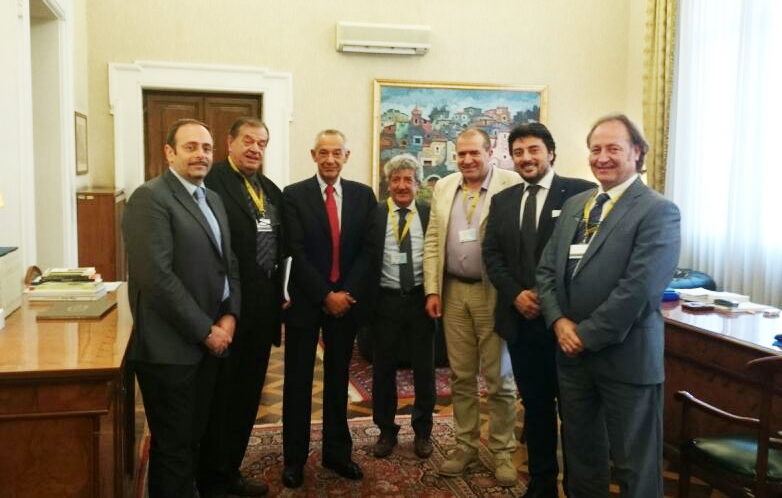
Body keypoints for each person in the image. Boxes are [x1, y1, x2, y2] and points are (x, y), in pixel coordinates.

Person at [536, 114, 681, 497]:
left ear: (637, 152)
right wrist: (558, 323)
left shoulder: (658, 211)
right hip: (573, 360)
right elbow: (546, 271)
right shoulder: (576, 205)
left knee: (636, 465)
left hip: (626, 358)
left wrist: (584, 335)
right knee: (581, 457)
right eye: (595, 149)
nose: (602, 157)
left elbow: (639, 289)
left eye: (613, 148)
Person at [123, 118, 241, 498]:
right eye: (190, 147)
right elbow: (157, 279)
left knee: (194, 438)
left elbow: (228, 263)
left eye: (206, 148)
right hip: (170, 349)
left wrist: (230, 315)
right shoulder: (150, 199)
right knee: (173, 448)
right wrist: (206, 331)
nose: (200, 155)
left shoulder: (213, 198)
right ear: (169, 152)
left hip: (211, 341)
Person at [483, 123, 595, 497]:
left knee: (575, 411)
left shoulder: (581, 193)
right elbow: (492, 255)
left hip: (566, 324)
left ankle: (578, 486)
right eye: (518, 152)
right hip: (521, 322)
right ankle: (542, 483)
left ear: (551, 153)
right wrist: (516, 294)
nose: (526, 158)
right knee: (535, 406)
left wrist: (546, 300)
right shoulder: (503, 200)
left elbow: (586, 256)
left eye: (533, 150)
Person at [423, 127, 521, 486]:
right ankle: (465, 446)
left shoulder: (511, 184)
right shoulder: (445, 186)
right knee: (461, 376)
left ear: (489, 153)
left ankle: (502, 451)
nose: (466, 160)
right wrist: (432, 289)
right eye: (461, 154)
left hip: (491, 293)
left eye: (474, 153)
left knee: (499, 378)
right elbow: (433, 239)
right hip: (453, 291)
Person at [280, 129, 377, 488]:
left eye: (337, 153)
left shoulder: (363, 196)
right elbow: (295, 250)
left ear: (346, 156)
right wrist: (325, 294)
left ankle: (337, 454)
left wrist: (346, 293)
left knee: (338, 381)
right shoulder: (294, 195)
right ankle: (294, 460)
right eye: (324, 152)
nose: (330, 159)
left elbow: (369, 250)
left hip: (346, 306)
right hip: (306, 304)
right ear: (313, 155)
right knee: (297, 383)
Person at [197, 118, 285, 497]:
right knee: (221, 398)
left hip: (262, 312)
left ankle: (230, 469)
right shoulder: (211, 184)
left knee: (248, 396)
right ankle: (209, 476)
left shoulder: (269, 190)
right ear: (229, 143)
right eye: (247, 141)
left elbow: (279, 247)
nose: (255, 148)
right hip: (225, 311)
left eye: (261, 143)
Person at [369, 154, 435, 460]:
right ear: (388, 184)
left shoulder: (430, 213)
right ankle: (386, 431)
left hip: (421, 300)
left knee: (424, 369)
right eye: (395, 179)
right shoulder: (375, 214)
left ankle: (423, 431)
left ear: (418, 185)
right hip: (386, 301)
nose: (401, 185)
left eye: (408, 179)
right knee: (383, 370)